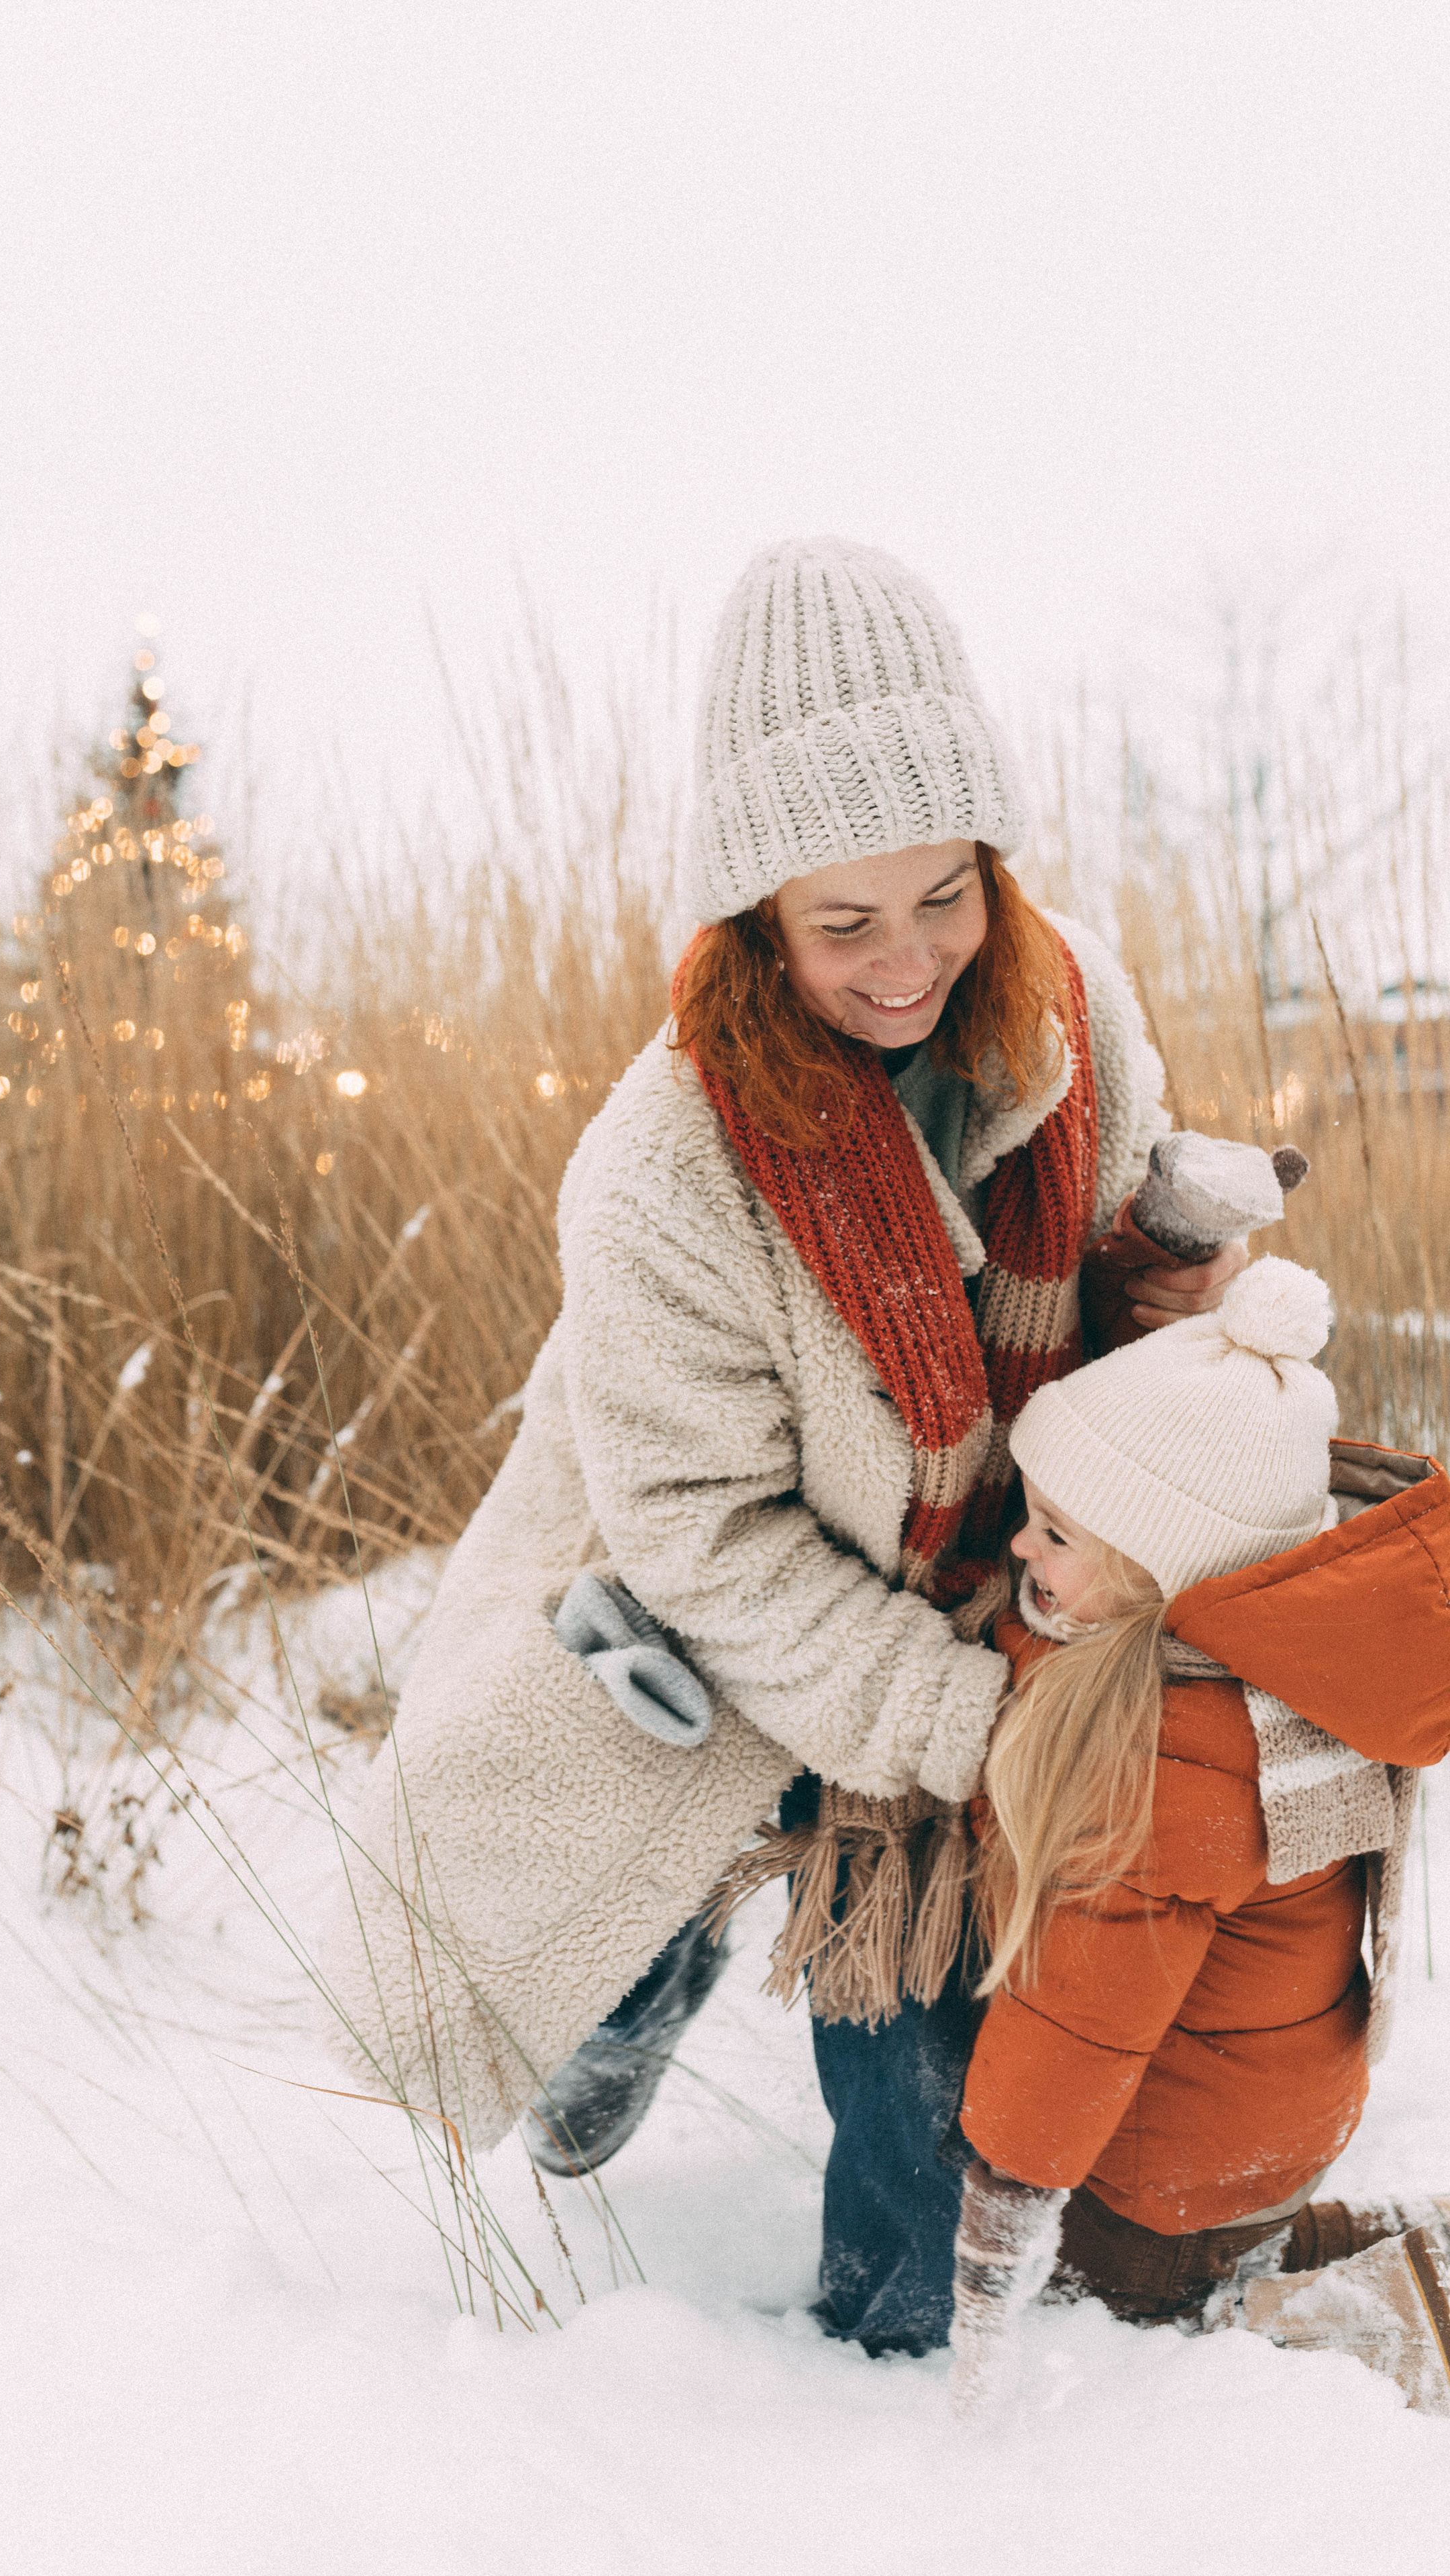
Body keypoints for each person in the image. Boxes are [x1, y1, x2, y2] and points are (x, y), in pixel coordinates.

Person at [319, 534, 1245, 2353]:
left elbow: (1119, 1249)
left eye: (944, 897)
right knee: (691, 1836)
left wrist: (1175, 1281)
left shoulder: (1069, 1021)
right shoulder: (666, 1171)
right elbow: (713, 1551)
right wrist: (965, 1721)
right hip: (726, 1588)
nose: (908, 962)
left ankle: (924, 2329)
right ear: (753, 918)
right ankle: (629, 1986)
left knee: (925, 2007)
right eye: (845, 923)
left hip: (999, 1548)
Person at [947, 1258, 1450, 2412]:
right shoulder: (1248, 1666)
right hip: (1264, 2110)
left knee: (1144, 2319)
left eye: (1056, 1536)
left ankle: (1269, 2333)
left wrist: (1002, 2213)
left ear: (1159, 1572)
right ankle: (1263, 2254)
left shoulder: (1165, 1765)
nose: (1023, 1551)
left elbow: (1076, 2015)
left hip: (1160, 2184)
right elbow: (1062, 1633)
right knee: (1228, 2242)